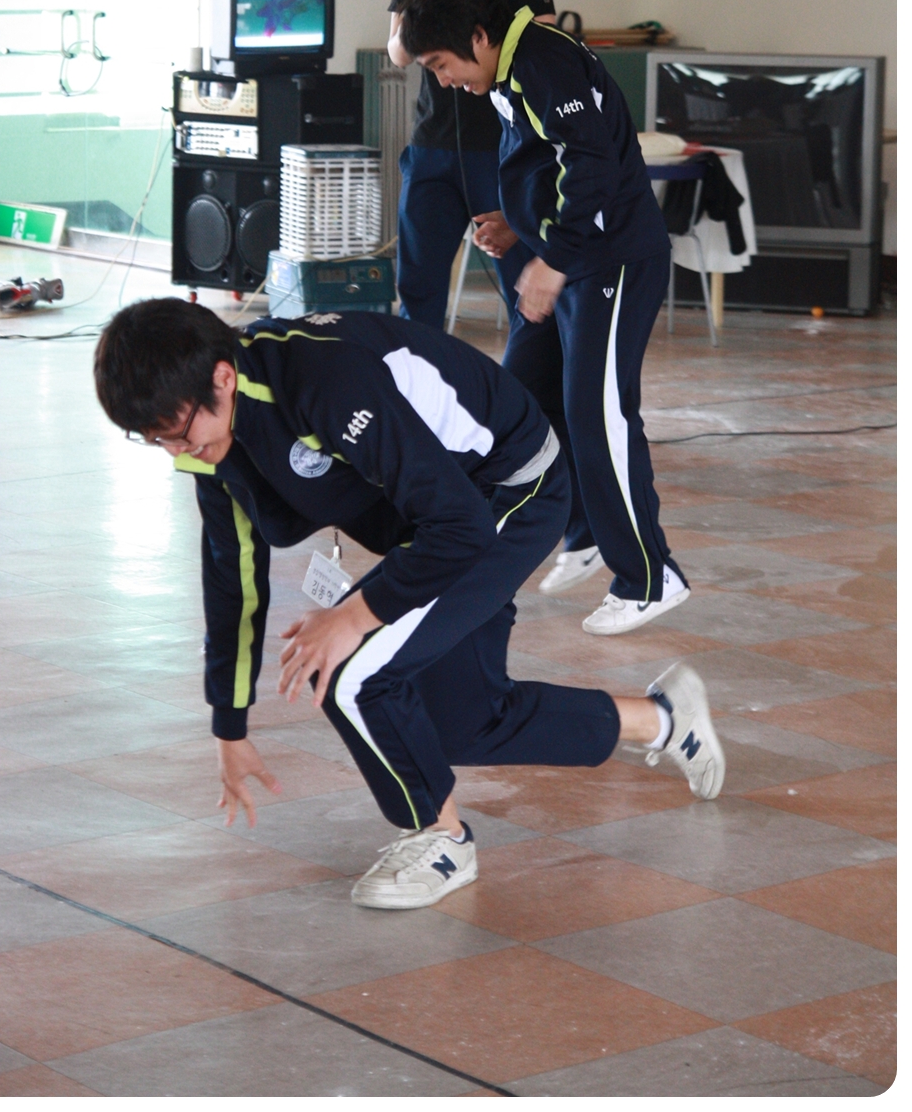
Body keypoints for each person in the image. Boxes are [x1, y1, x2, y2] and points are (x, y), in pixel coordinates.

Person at [94, 298, 723, 910]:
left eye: (177, 431)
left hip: (510, 492)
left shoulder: (323, 379)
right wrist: (228, 727)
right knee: (460, 722)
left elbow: (460, 527)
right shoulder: (211, 444)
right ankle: (665, 719)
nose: (175, 451)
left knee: (350, 669)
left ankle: (440, 841)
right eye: (153, 440)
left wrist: (353, 616)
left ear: (222, 379)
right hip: (433, 521)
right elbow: (233, 581)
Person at [396, 0, 693, 636]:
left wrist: (552, 259)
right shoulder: (508, 70)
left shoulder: (541, 62)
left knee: (599, 412)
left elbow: (591, 165)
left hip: (610, 260)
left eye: (441, 65)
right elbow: (547, 160)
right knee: (523, 401)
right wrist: (518, 222)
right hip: (568, 257)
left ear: (478, 37)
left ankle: (649, 577)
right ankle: (583, 534)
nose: (443, 81)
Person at [387, 0, 599, 574]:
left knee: (524, 298)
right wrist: (418, 35)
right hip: (432, 144)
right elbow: (398, 47)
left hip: (502, 146)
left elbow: (534, 44)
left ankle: (525, 425)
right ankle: (423, 418)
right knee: (417, 284)